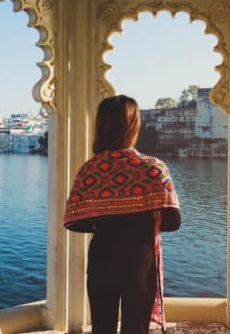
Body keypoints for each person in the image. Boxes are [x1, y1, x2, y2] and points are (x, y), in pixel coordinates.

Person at [63, 95, 181, 334]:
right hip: (140, 261)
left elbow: (74, 221)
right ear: (134, 126)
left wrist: (106, 216)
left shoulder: (90, 170)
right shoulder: (153, 168)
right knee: (136, 329)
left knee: (102, 328)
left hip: (101, 259)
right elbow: (173, 222)